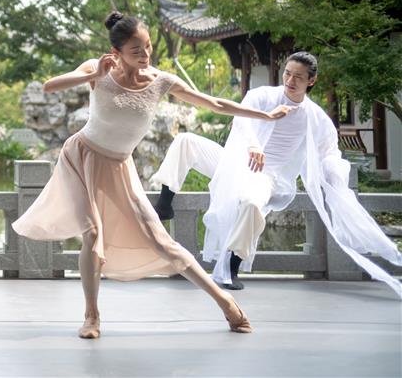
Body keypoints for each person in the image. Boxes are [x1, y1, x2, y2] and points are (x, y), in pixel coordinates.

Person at [12, 12, 293, 339]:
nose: (145, 55)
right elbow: (50, 86)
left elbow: (215, 103)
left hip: (119, 167)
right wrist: (93, 74)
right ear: (116, 53)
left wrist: (265, 115)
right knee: (92, 233)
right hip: (82, 158)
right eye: (136, 50)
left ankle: (226, 302)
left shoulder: (161, 81)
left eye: (147, 47)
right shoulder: (97, 68)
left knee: (161, 240)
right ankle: (92, 316)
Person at [151, 52, 402, 295]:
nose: (290, 81)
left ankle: (231, 266)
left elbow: (329, 153)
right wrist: (253, 145)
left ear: (311, 81)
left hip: (266, 175)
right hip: (235, 161)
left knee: (251, 203)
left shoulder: (315, 118)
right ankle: (164, 202)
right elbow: (242, 119)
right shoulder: (262, 95)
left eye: (298, 77)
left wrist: (337, 179)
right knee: (185, 140)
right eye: (287, 74)